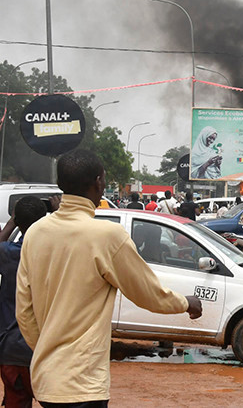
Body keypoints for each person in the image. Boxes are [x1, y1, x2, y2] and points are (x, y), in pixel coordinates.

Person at [16, 149, 202, 407]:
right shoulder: (107, 236)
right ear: (98, 182)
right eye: (103, 180)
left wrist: (47, 353)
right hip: (83, 386)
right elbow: (148, 293)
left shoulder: (36, 233)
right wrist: (186, 302)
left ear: (60, 185)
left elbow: (24, 311)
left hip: (47, 382)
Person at [0, 196, 48, 408]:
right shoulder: (50, 255)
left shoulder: (8, 254)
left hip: (11, 347)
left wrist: (12, 222)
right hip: (45, 348)